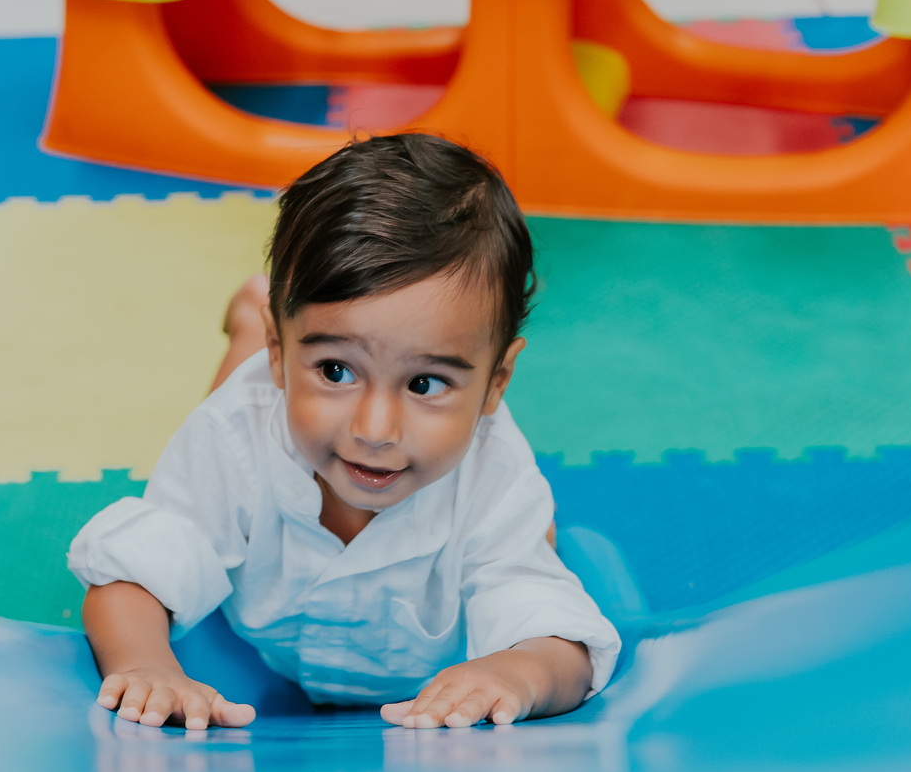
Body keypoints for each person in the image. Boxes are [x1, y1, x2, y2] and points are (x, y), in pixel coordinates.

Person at [70, 135, 620, 730]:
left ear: (496, 382)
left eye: (427, 384)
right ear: (287, 353)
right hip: (259, 418)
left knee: (536, 538)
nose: (376, 429)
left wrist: (519, 673)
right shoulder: (233, 438)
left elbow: (561, 644)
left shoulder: (496, 481)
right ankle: (250, 334)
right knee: (238, 406)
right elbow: (132, 575)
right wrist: (148, 665)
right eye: (336, 370)